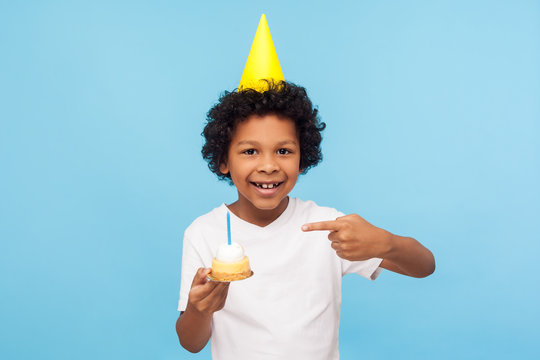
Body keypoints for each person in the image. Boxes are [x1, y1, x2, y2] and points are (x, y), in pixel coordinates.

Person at [175, 81, 435, 360]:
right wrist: (198, 310)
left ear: (302, 158)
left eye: (284, 151)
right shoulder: (204, 232)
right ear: (223, 160)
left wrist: (386, 243)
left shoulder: (327, 225)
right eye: (250, 151)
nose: (269, 165)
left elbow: (425, 266)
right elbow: (191, 343)